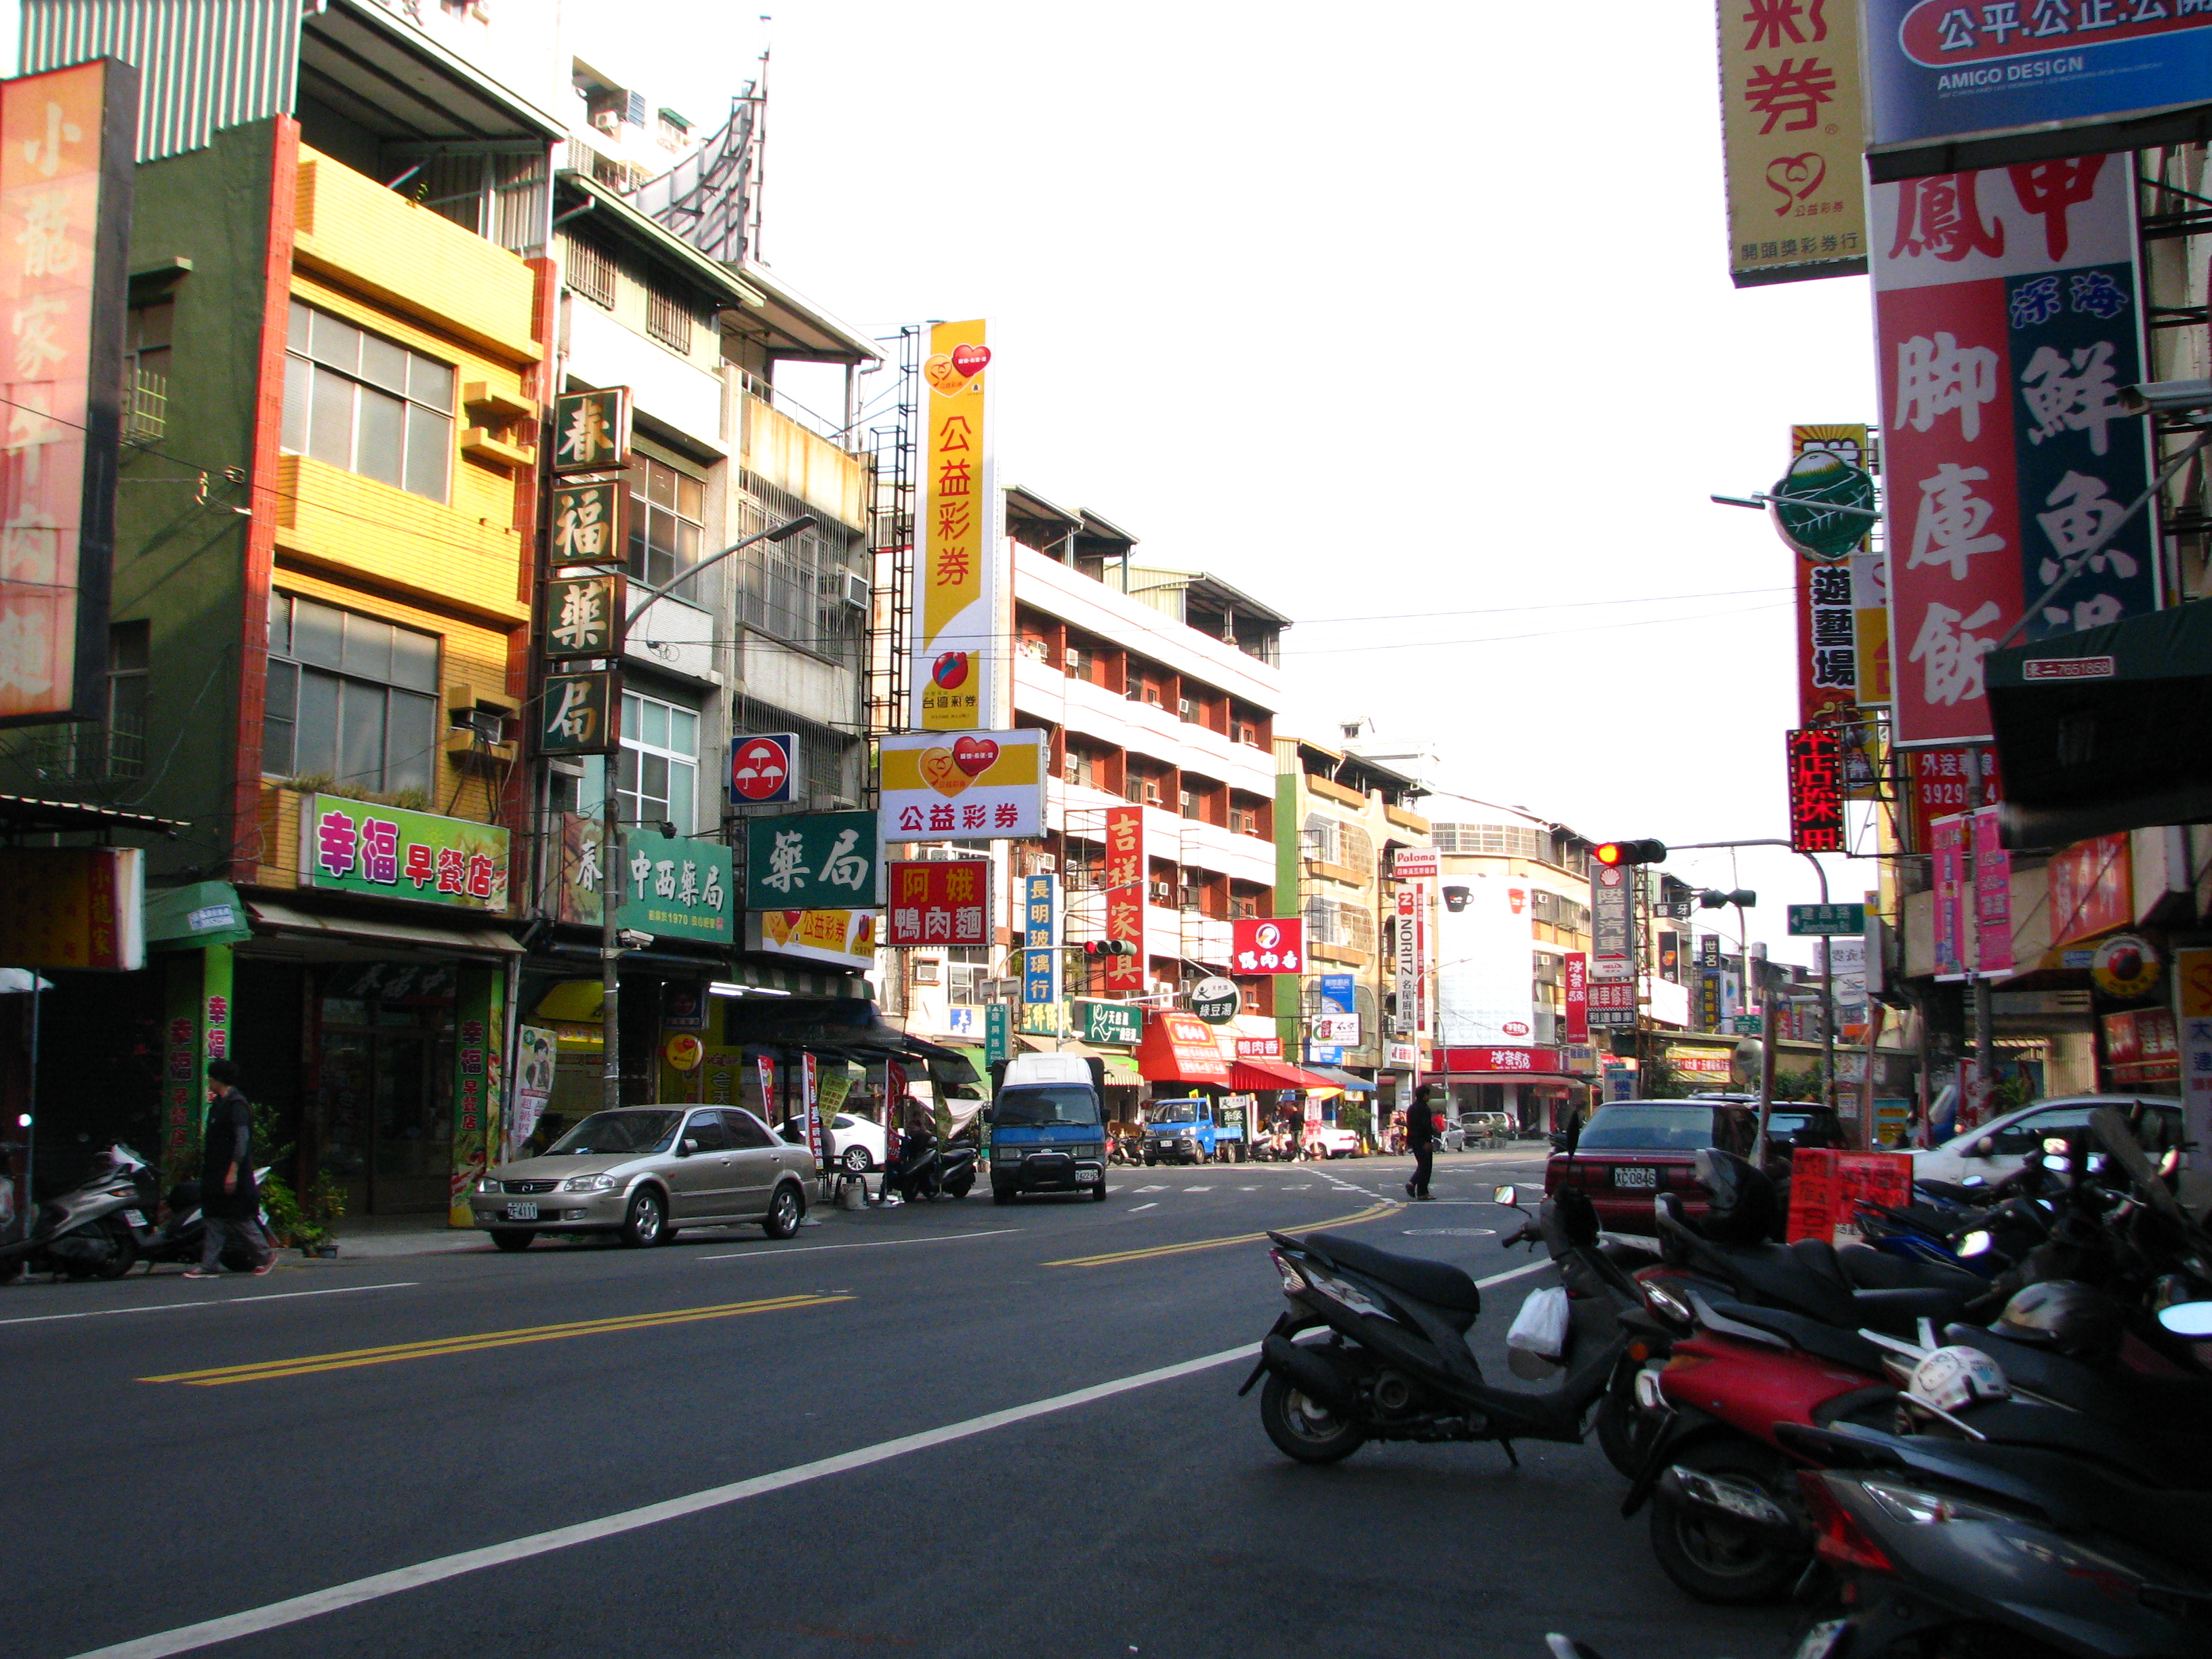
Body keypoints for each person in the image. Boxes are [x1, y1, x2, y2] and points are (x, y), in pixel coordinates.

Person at [185, 1059, 276, 1277]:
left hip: (232, 1173)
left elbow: (242, 1140)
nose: (208, 1081)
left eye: (211, 1077)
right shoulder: (218, 1104)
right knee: (214, 1217)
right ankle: (209, 1264)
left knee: (238, 1217)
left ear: (220, 1080)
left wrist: (233, 1171)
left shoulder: (237, 1105)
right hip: (215, 1172)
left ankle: (266, 1255)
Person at [1405, 1084, 1439, 1201]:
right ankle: (1420, 1190)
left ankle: (1416, 1187)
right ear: (1425, 1095)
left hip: (1414, 1139)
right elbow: (1425, 1126)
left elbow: (1410, 1125)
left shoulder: (1411, 1108)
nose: (1429, 1097)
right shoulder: (1424, 1108)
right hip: (1423, 1140)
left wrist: (1408, 1140)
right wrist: (1428, 1140)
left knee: (1422, 1164)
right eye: (1428, 1095)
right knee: (1426, 1166)